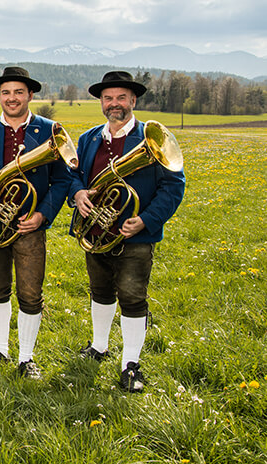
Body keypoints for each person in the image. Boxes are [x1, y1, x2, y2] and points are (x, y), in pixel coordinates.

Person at [70, 71, 185, 392]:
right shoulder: (90, 137)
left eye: (121, 98)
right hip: (95, 232)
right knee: (101, 292)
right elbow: (74, 176)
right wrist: (78, 194)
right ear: (102, 103)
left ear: (133, 101)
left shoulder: (151, 138)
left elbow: (173, 187)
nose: (114, 104)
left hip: (135, 234)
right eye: (108, 98)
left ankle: (131, 364)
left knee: (132, 297)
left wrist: (146, 220)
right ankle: (99, 345)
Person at [0, 66, 72, 380]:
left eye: (18, 92)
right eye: (6, 92)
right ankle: (1, 350)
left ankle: (26, 357)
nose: (12, 98)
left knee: (30, 293)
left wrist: (42, 214)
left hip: (28, 225)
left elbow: (63, 180)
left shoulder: (50, 130)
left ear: (30, 95)